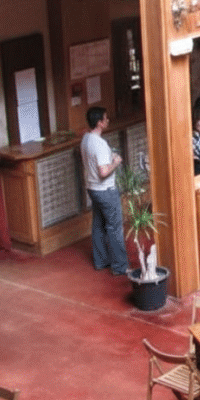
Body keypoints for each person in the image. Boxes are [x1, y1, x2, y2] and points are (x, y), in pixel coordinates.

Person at [80, 106, 129, 276]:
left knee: (98, 225)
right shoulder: (99, 144)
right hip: (106, 190)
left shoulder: (86, 139)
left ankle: (101, 261)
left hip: (92, 189)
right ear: (100, 123)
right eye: (105, 118)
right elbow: (103, 172)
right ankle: (120, 266)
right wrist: (116, 162)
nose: (108, 120)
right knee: (114, 227)